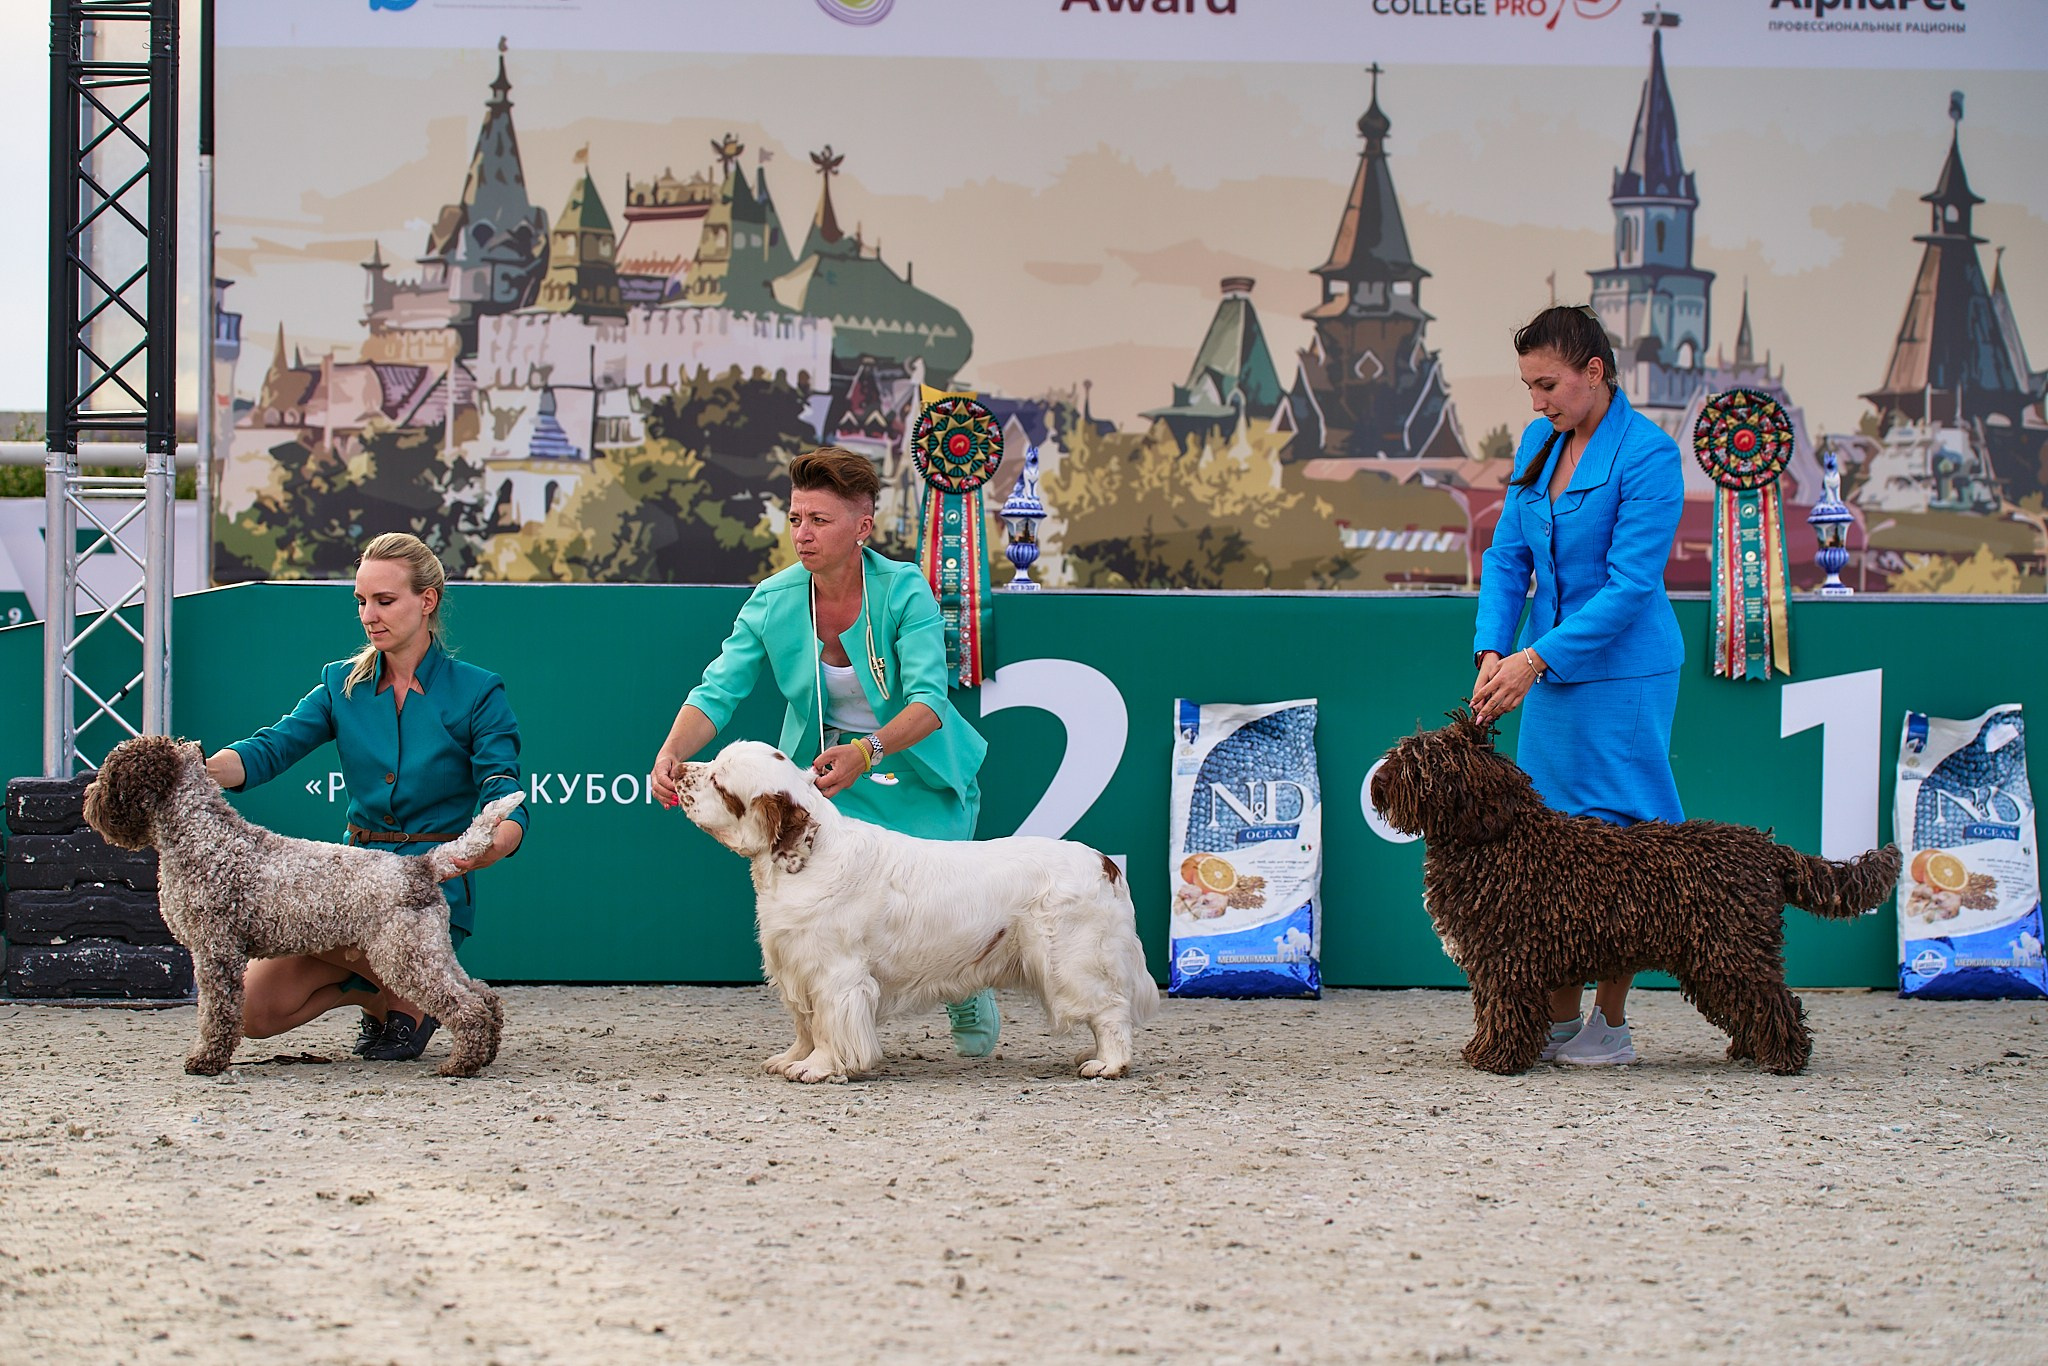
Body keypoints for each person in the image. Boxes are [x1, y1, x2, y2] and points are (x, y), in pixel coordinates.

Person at [649, 446, 1001, 1056]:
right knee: (815, 917)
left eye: (819, 520)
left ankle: (968, 987)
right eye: (795, 518)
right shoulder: (772, 599)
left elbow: (930, 702)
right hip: (821, 779)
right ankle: (824, 1032)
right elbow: (717, 691)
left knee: (942, 903)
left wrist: (868, 751)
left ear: (862, 526)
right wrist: (672, 750)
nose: (802, 534)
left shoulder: (904, 589)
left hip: (917, 767)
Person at [202, 532, 527, 1061]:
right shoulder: (340, 684)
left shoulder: (478, 691)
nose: (369, 616)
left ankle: (409, 995)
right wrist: (197, 770)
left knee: (402, 1001)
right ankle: (380, 995)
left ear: (427, 600)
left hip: (428, 887)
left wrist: (499, 840)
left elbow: (503, 788)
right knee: (249, 1012)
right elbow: (270, 749)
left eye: (384, 600)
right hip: (349, 885)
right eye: (360, 601)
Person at [1468, 305, 1686, 1068]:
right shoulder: (1539, 442)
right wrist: (1494, 647)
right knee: (1549, 847)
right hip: (1544, 669)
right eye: (1529, 387)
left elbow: (1630, 588)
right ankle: (1559, 1021)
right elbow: (1507, 557)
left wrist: (1534, 660)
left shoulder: (1650, 455)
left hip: (1625, 673)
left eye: (1549, 385)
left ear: (1595, 371)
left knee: (1624, 847)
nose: (1537, 402)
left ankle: (1611, 1024)